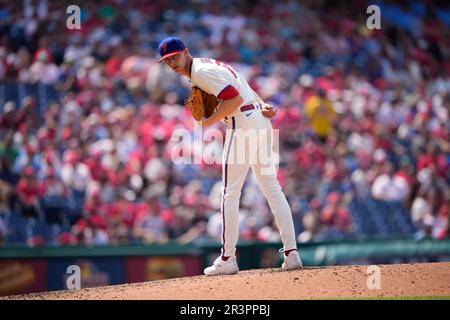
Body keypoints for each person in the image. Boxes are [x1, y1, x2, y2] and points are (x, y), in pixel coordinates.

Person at [158, 36, 302, 275]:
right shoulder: (206, 65)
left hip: (242, 126)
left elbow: (233, 97)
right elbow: (240, 84)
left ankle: (227, 258)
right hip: (258, 122)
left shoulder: (201, 72)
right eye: (167, 60)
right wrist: (261, 103)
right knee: (272, 189)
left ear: (186, 52)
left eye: (175, 56)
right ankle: (291, 253)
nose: (172, 62)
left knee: (230, 193)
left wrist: (207, 123)